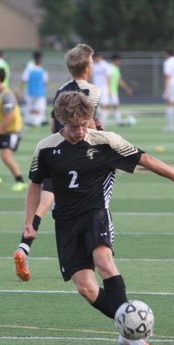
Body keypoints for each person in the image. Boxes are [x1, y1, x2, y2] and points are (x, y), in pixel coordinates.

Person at [21, 91, 174, 345]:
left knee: (104, 261)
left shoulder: (107, 142)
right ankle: (127, 327)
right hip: (65, 223)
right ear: (61, 121)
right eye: (74, 126)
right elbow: (34, 186)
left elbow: (148, 161)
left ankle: (133, 335)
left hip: (96, 214)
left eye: (85, 123)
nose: (81, 130)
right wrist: (29, 222)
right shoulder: (46, 148)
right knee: (86, 288)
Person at [13, 43, 101, 281]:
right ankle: (92, 256)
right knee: (86, 207)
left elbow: (58, 122)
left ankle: (24, 246)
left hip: (55, 147)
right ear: (87, 67)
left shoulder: (62, 89)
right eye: (92, 62)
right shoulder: (92, 91)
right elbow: (87, 124)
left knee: (46, 197)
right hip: (78, 152)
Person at [19, 51, 49, 127]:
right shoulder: (41, 71)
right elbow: (45, 83)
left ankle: (34, 121)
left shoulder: (30, 70)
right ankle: (34, 121)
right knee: (36, 109)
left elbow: (23, 80)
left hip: (33, 92)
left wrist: (21, 90)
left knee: (33, 109)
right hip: (37, 93)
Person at [109, 54, 133, 126]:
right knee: (105, 106)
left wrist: (127, 88)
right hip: (108, 91)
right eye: (119, 61)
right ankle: (101, 122)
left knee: (115, 106)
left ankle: (118, 121)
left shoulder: (116, 69)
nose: (120, 62)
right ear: (115, 60)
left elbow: (119, 80)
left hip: (113, 91)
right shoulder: (109, 68)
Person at [92, 52, 112, 127]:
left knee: (104, 104)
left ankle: (103, 123)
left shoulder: (106, 65)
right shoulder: (93, 65)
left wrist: (109, 88)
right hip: (95, 88)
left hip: (104, 88)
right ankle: (99, 121)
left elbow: (108, 77)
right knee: (94, 106)